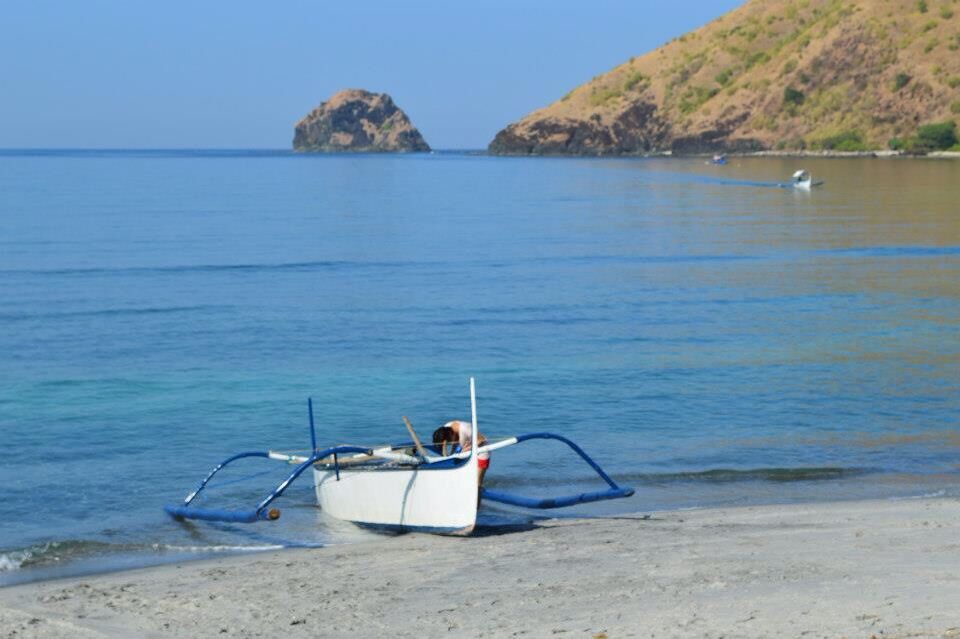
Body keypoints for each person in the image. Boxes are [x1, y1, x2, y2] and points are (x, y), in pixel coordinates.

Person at [432, 420, 489, 485]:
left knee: (477, 481)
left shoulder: (465, 429)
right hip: (464, 449)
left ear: (451, 434)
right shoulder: (444, 430)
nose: (450, 444)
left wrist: (466, 450)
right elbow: (444, 449)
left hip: (481, 449)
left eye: (449, 442)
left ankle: (478, 488)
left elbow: (481, 440)